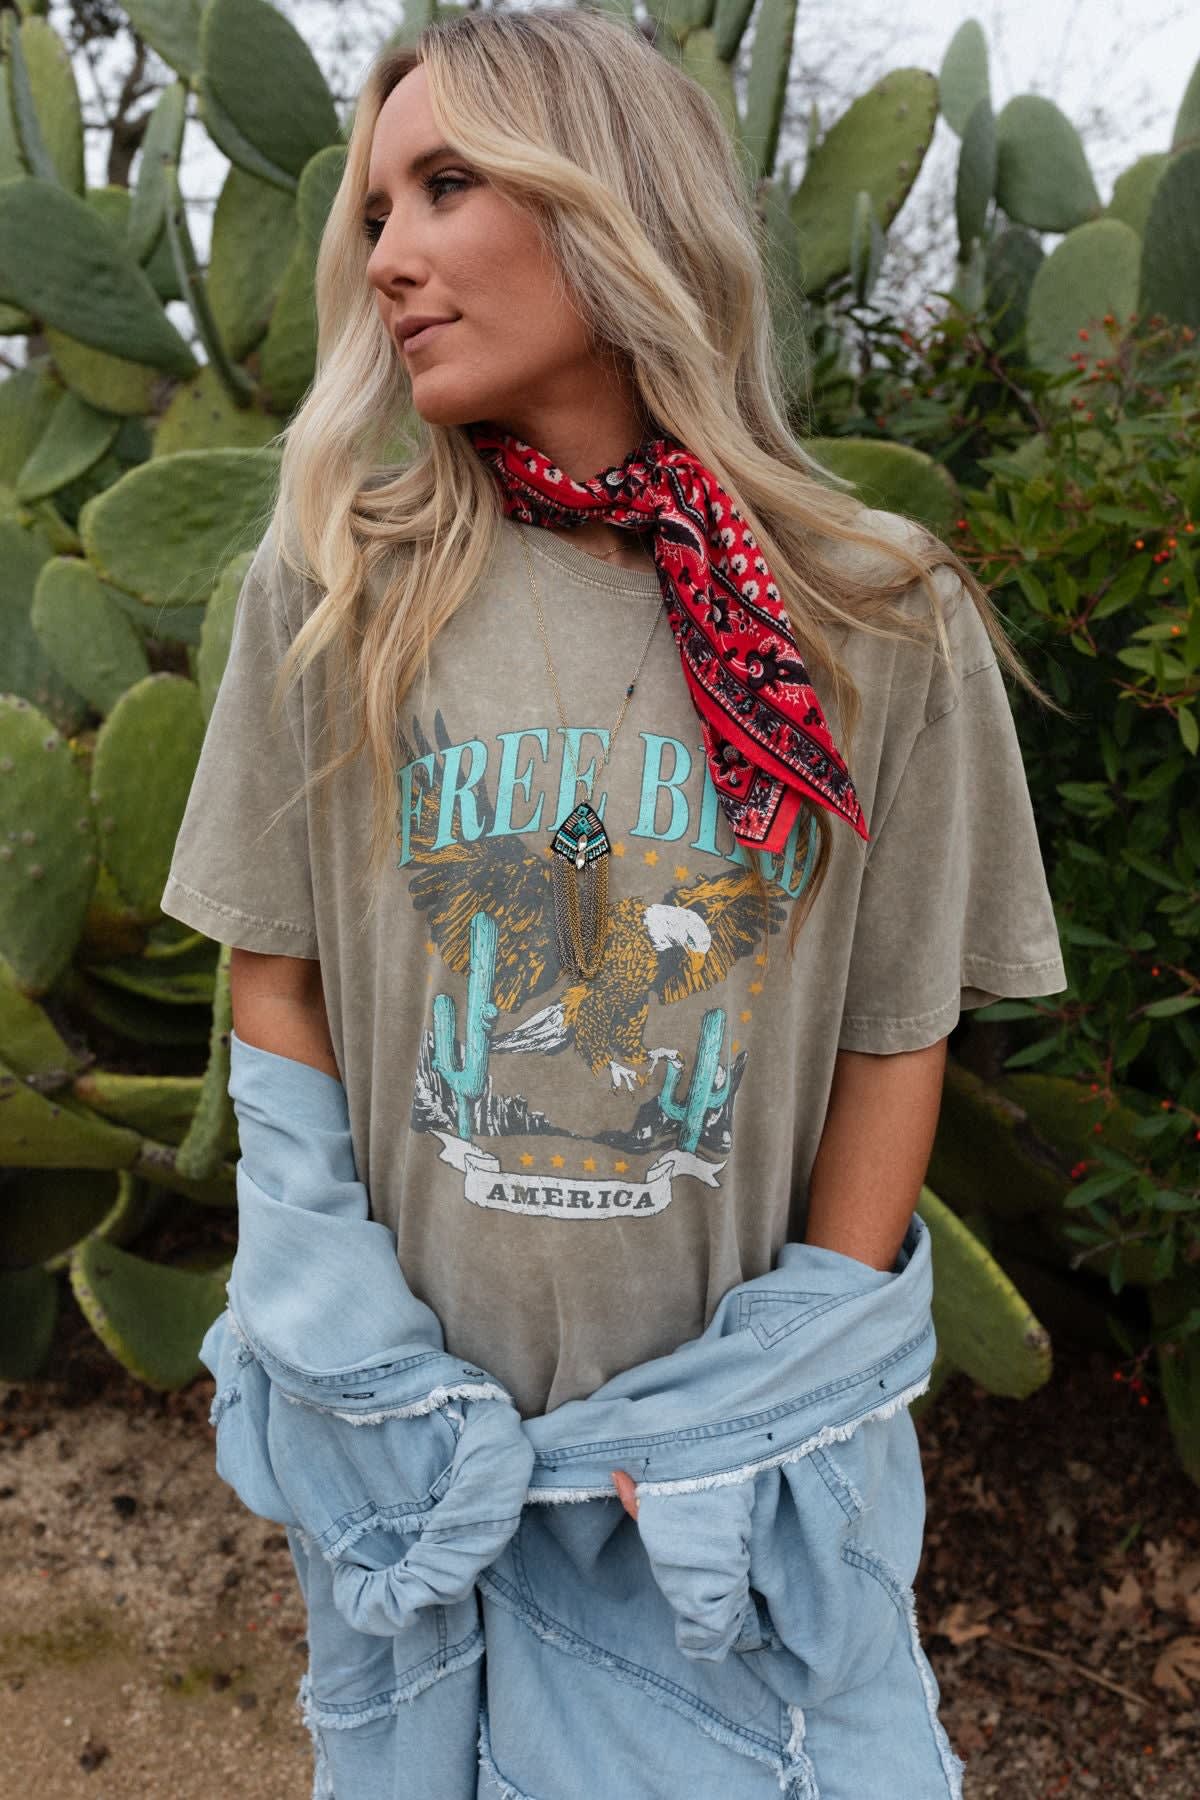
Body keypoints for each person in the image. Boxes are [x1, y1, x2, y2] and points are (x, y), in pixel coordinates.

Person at [161, 10, 1068, 1796]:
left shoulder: (874, 616)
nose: (386, 254)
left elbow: (897, 1031)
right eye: (374, 210)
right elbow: (280, 989)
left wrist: (781, 1375)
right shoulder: (340, 586)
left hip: (719, 1478)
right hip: (416, 1454)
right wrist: (351, 1351)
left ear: (612, 203)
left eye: (446, 184)